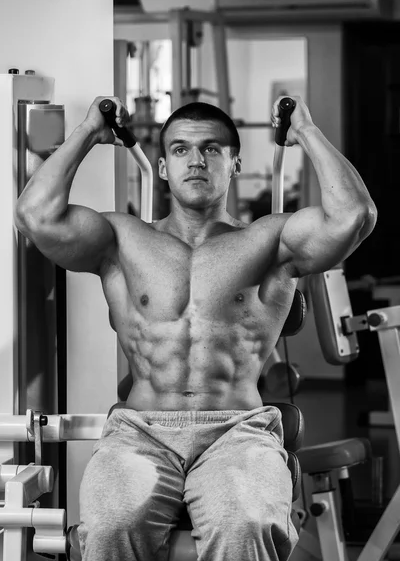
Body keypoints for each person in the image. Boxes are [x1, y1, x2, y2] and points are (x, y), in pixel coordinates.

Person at [14, 95, 377, 561]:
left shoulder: (270, 240)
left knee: (244, 524)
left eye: (212, 149)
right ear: (162, 167)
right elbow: (35, 215)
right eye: (181, 149)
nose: (197, 160)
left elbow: (355, 215)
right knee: (111, 525)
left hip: (237, 432)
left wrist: (305, 129)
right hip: (141, 432)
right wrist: (88, 131)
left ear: (235, 164)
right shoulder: (123, 239)